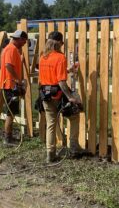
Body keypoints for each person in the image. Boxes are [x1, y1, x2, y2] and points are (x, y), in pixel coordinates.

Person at [38, 31, 82, 163]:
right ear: (59, 43)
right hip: (57, 93)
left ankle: (50, 154)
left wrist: (68, 70)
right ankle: (73, 147)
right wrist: (70, 97)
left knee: (51, 123)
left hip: (45, 93)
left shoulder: (43, 57)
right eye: (62, 43)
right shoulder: (60, 57)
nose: (62, 45)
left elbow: (51, 73)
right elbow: (61, 82)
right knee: (74, 116)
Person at [0, 30, 28, 146]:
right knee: (10, 113)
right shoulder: (11, 49)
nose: (25, 43)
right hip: (10, 85)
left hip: (9, 84)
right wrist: (18, 80)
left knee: (11, 112)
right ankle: (7, 139)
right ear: (20, 39)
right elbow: (8, 66)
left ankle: (8, 137)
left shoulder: (11, 49)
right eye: (24, 41)